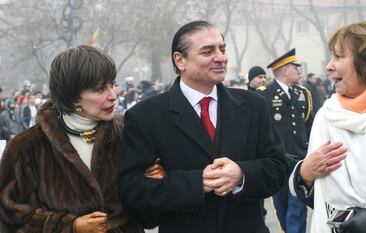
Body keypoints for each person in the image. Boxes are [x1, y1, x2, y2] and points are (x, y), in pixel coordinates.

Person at [117, 20, 289, 233]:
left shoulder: (253, 105)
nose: (220, 57)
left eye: (222, 49)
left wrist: (241, 174)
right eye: (208, 51)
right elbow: (131, 189)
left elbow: (278, 167)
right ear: (180, 60)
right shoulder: (145, 116)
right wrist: (197, 183)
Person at [0, 45, 150, 232]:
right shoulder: (27, 146)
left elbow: (148, 216)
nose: (113, 96)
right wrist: (70, 226)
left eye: (112, 84)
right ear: (71, 96)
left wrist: (154, 185)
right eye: (99, 89)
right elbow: (8, 212)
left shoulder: (129, 134)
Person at [289, 20, 366, 233]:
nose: (329, 66)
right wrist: (305, 175)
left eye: (338, 56)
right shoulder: (328, 115)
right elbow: (322, 200)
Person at [257, 48, 313, 233]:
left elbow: (308, 125)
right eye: (295, 67)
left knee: (297, 205)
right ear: (284, 70)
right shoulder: (265, 94)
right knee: (282, 207)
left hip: (300, 160)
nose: (299, 70)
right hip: (278, 160)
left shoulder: (303, 93)